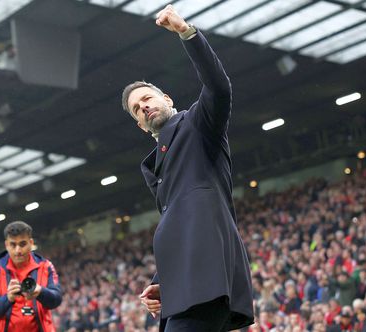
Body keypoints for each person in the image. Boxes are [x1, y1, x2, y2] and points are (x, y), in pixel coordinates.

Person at [121, 4, 253, 331]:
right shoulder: (154, 164)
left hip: (205, 279)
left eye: (147, 98)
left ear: (166, 98)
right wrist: (161, 279)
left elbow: (219, 88)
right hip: (183, 285)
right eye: (137, 108)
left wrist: (186, 33)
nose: (144, 106)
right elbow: (179, 220)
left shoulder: (197, 124)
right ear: (139, 125)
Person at [0, 221, 62, 331]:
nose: (18, 250)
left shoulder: (46, 267)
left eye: (23, 244)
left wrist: (41, 292)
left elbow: (56, 299)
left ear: (31, 243)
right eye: (13, 244)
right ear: (6, 245)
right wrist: (8, 299)